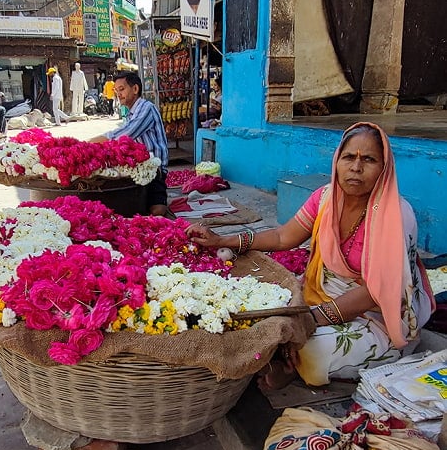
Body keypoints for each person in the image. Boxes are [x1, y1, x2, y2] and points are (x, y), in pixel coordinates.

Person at [186, 122, 435, 388]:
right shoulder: (325, 198)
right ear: (337, 160)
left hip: (377, 314)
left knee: (310, 351)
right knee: (262, 316)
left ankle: (293, 367)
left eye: (369, 160)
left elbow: (375, 292)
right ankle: (284, 358)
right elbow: (284, 236)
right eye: (349, 157)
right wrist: (224, 240)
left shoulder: (396, 216)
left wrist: (309, 320)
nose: (356, 167)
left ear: (384, 168)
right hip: (321, 294)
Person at [93, 71, 170, 217]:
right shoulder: (129, 114)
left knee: (156, 211)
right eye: (116, 91)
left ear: (135, 89)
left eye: (122, 89)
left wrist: (90, 143)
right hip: (138, 169)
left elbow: (126, 134)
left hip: (154, 171)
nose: (118, 94)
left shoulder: (147, 108)